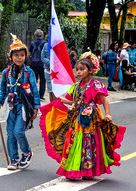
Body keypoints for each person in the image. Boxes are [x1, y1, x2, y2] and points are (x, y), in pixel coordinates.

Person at [39, 52, 126, 180]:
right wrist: (62, 100)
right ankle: (74, 168)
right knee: (74, 141)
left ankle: (87, 170)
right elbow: (74, 101)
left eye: (82, 69)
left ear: (90, 70)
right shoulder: (75, 86)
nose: (78, 72)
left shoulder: (95, 85)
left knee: (89, 142)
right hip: (76, 118)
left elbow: (104, 100)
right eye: (77, 70)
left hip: (90, 119)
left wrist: (107, 113)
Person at [0, 34, 40, 170]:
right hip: (10, 106)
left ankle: (27, 152)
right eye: (16, 55)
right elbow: (3, 91)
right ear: (11, 57)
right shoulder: (5, 73)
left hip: (24, 106)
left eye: (22, 55)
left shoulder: (29, 72)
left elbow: (34, 91)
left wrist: (36, 107)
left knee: (18, 132)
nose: (19, 58)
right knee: (10, 134)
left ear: (25, 56)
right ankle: (13, 158)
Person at [29, 29, 46, 101]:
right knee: (42, 80)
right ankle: (41, 96)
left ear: (35, 36)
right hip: (42, 64)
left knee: (33, 80)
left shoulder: (32, 43)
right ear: (42, 35)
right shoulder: (45, 43)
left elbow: (29, 53)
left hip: (33, 64)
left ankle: (33, 94)